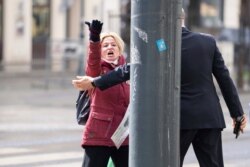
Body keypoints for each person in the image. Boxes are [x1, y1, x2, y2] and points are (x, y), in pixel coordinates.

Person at [73, 10, 247, 167]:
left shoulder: (161, 45)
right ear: (183, 18)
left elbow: (131, 68)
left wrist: (96, 82)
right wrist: (237, 114)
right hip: (209, 117)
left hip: (178, 119)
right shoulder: (207, 42)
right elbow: (225, 79)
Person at [78, 20, 130, 167]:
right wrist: (94, 38)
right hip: (99, 134)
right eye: (105, 45)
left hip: (123, 136)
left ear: (119, 50)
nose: (109, 47)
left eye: (113, 45)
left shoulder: (128, 72)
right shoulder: (97, 71)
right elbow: (92, 60)